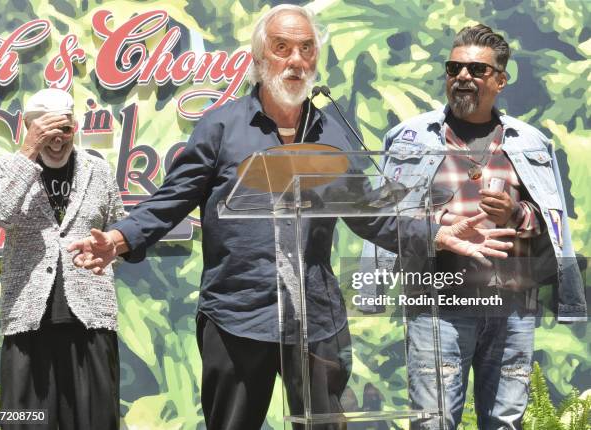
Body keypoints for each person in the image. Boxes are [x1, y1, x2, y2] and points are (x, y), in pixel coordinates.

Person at [67, 7, 515, 430]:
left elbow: (368, 213)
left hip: (314, 318)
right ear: (260, 58)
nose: (295, 61)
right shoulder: (221, 127)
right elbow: (171, 199)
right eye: (282, 48)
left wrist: (437, 234)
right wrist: (118, 240)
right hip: (237, 313)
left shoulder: (333, 133)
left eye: (306, 49)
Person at [370, 24, 587, 429]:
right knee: (434, 423)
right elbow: (383, 218)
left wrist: (516, 214)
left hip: (513, 309)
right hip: (438, 306)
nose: (463, 76)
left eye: (477, 69)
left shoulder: (531, 143)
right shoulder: (408, 138)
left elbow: (552, 225)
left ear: (501, 81)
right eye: (454, 68)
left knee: (505, 423)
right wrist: (438, 225)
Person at [0, 88, 124, 429]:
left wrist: (109, 252)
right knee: (24, 421)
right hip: (27, 320)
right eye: (46, 132)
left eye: (63, 130)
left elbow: (118, 229)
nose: (57, 140)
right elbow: (0, 213)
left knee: (97, 421)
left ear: (74, 126)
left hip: (90, 317)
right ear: (29, 127)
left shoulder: (97, 170)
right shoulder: (6, 168)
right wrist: (28, 153)